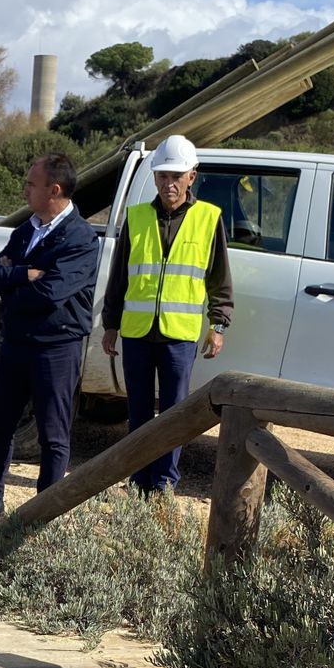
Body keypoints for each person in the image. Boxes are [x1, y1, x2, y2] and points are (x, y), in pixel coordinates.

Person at [0, 154, 98, 523]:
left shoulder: (81, 238)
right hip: (16, 342)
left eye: (30, 183)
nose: (25, 188)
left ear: (54, 190)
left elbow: (50, 294)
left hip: (57, 346)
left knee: (53, 433)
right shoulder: (25, 231)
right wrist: (23, 273)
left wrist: (13, 285)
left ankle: (44, 514)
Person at [100, 134, 232, 493]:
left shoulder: (209, 218)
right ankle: (138, 478)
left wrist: (218, 324)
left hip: (180, 334)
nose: (168, 184)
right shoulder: (138, 217)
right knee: (138, 411)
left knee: (174, 413)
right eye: (162, 176)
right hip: (138, 332)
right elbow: (119, 277)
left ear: (192, 176)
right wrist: (110, 324)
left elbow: (219, 278)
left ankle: (163, 483)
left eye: (176, 176)